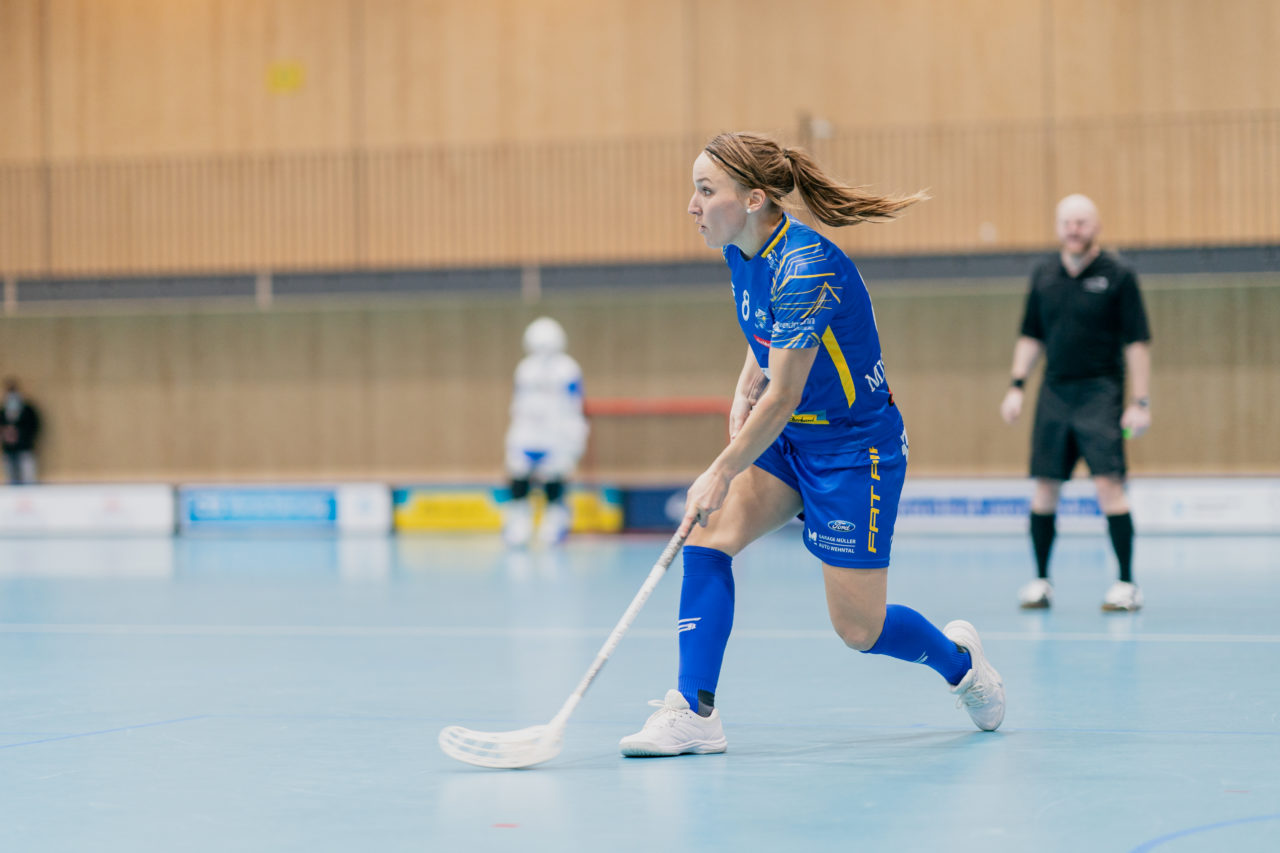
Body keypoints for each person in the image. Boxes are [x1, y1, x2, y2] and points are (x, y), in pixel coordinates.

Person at [618, 132, 1005, 757]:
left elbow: (784, 394)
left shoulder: (807, 266)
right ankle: (694, 711)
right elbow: (769, 333)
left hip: (854, 449)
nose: (692, 205)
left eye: (706, 191)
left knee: (859, 628)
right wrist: (745, 378)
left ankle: (960, 664)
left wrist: (720, 470)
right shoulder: (741, 248)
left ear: (754, 199)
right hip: (793, 436)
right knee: (708, 539)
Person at [999, 194, 1152, 612]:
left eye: (1082, 222)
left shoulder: (1118, 275)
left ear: (1096, 226)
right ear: (1058, 227)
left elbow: (1137, 342)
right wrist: (1016, 386)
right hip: (1054, 392)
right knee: (1045, 487)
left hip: (1101, 392)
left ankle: (1126, 583)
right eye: (1067, 222)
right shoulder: (1044, 274)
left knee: (1108, 485)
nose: (1074, 229)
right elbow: (1031, 335)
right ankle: (1040, 581)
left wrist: (1139, 401)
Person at [502, 317, 589, 547]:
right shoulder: (524, 369)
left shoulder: (568, 369)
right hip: (526, 434)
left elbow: (574, 403)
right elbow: (518, 403)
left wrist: (575, 436)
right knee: (519, 473)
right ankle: (519, 523)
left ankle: (554, 522)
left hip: (555, 435)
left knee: (554, 476)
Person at [1, 377, 42, 485]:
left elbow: (34, 427)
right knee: (11, 478)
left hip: (25, 448)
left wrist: (19, 434)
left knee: (28, 477)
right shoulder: (3, 411)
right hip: (9, 449)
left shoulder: (27, 410)